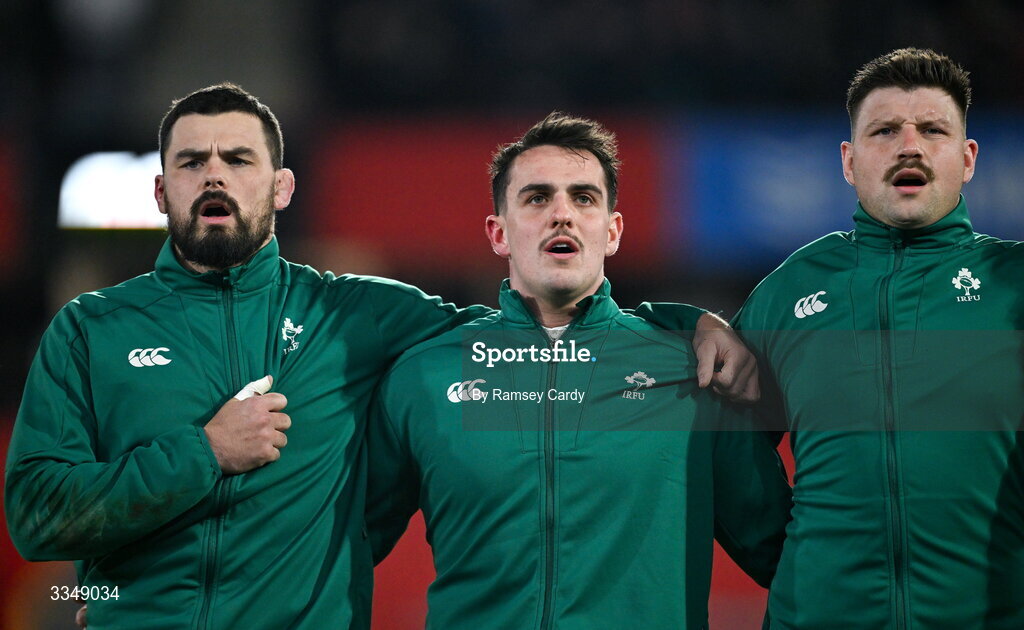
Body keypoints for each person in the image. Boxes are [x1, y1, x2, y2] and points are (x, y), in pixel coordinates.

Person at [4, 85, 757, 629]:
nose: (215, 175)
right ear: (160, 188)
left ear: (282, 186)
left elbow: (535, 317)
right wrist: (201, 455)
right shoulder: (90, 331)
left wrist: (683, 322)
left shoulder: (357, 315)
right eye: (192, 161)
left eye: (238, 158)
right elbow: (36, 517)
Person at [365, 112, 792, 629]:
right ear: (499, 234)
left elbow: (790, 558)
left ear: (612, 232)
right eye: (537, 198)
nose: (562, 215)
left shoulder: (693, 374)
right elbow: (341, 549)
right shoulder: (424, 379)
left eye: (584, 198)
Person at [733, 48, 1024, 629]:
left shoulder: (1013, 285)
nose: (909, 146)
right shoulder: (791, 291)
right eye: (885, 130)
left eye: (933, 130)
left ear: (968, 159)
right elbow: (723, 444)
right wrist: (793, 561)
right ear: (849, 161)